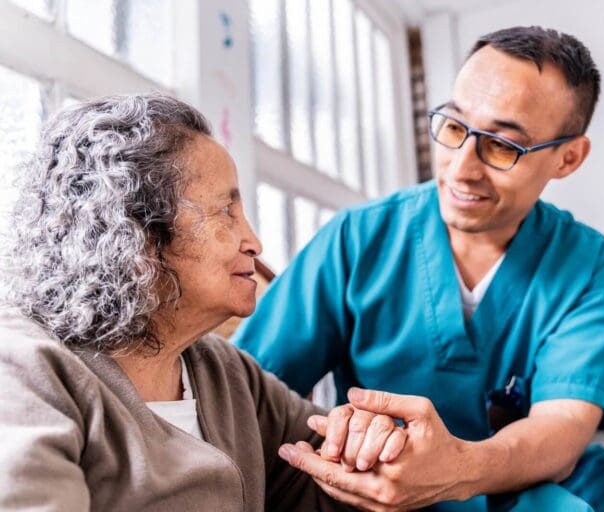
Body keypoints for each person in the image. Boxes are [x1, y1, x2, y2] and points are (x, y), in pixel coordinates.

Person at [232, 26, 604, 511]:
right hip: (392, 483)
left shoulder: (591, 266)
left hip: (538, 473)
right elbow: (244, 389)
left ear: (567, 159)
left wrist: (460, 468)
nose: (461, 169)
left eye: (503, 145)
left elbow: (559, 433)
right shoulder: (358, 241)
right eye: (454, 126)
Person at [0, 93, 405, 511]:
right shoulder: (23, 369)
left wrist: (365, 442)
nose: (254, 242)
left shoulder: (227, 373)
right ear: (137, 233)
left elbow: (330, 480)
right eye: (226, 212)